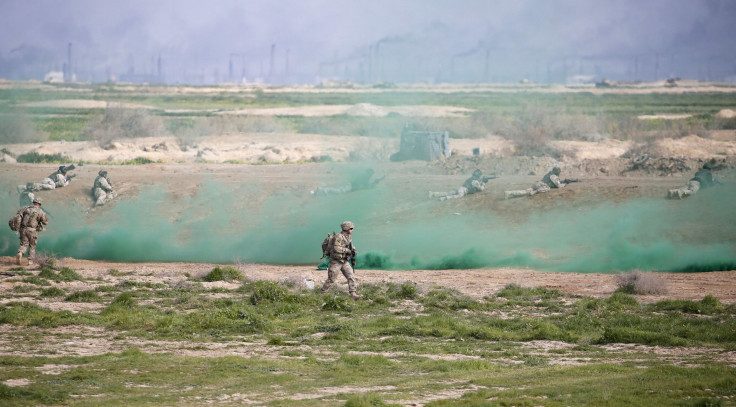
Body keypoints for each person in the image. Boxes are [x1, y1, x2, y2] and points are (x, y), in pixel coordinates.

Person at [320, 221, 362, 300]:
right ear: (347, 229)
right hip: (336, 261)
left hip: (344, 260)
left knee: (351, 276)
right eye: (351, 228)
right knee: (331, 279)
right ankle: (323, 292)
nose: (352, 230)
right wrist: (347, 250)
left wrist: (353, 250)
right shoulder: (338, 237)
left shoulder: (348, 236)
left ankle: (353, 294)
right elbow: (336, 248)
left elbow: (350, 245)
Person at [14, 197, 49, 265]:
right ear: (39, 204)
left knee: (24, 244)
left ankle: (20, 253)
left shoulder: (25, 209)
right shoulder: (40, 211)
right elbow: (45, 222)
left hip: (23, 229)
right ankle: (30, 260)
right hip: (32, 230)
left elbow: (19, 216)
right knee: (32, 245)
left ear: (33, 202)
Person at [311, 168, 385, 195]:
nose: (371, 175)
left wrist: (378, 180)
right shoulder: (363, 176)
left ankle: (321, 190)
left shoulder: (365, 177)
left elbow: (368, 186)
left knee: (339, 191)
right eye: (370, 174)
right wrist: (377, 181)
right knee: (340, 191)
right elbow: (366, 185)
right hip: (350, 186)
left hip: (351, 187)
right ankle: (321, 191)